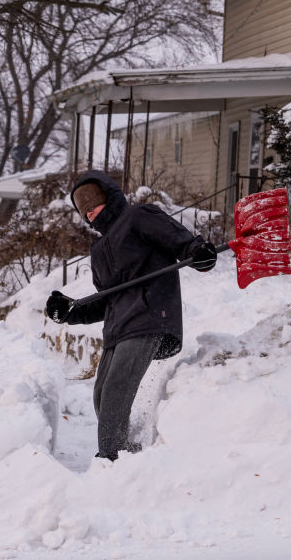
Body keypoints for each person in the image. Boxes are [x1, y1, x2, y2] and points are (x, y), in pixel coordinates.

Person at [45, 170, 217, 461]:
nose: (89, 215)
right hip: (118, 329)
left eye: (93, 206)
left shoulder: (139, 217)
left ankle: (111, 462)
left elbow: (177, 239)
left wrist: (197, 250)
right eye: (84, 211)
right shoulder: (98, 248)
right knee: (101, 396)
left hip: (149, 317)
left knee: (115, 392)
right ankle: (128, 455)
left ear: (108, 198)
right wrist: (71, 312)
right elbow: (107, 300)